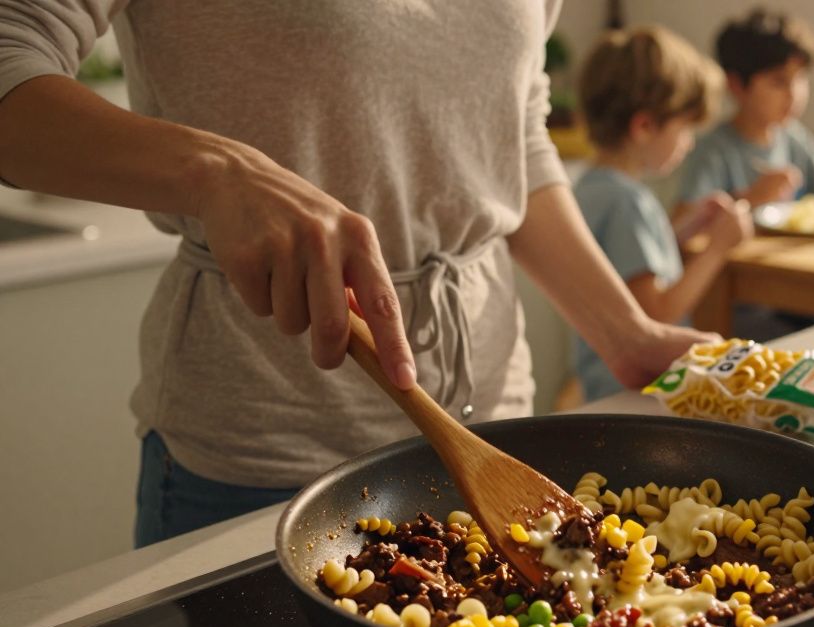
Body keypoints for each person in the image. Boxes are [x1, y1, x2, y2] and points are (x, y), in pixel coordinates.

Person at [0, 1, 714, 546]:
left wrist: (624, 331)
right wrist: (216, 171)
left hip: (495, 427)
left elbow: (510, 133)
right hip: (266, 455)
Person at [572, 26, 752, 401]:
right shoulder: (629, 202)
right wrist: (717, 247)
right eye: (685, 128)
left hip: (603, 390)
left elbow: (627, 272)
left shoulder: (590, 188)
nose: (688, 143)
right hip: (636, 393)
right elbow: (657, 314)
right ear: (644, 126)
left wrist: (686, 230)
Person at [674, 7, 814, 214]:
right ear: (736, 85)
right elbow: (682, 227)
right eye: (779, 82)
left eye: (800, 78)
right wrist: (750, 199)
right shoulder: (714, 151)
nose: (794, 94)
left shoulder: (791, 136)